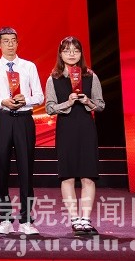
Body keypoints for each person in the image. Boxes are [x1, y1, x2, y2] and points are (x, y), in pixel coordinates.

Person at [0, 27, 44, 236]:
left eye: (13, 40)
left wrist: (26, 99)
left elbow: (40, 96)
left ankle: (26, 220)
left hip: (24, 119)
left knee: (26, 170)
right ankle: (5, 218)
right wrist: (2, 101)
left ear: (17, 43)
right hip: (2, 119)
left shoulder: (29, 66)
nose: (10, 44)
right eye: (5, 41)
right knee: (1, 170)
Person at [44, 36, 105, 236]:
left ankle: (86, 219)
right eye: (67, 50)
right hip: (66, 128)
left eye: (76, 50)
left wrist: (87, 101)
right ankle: (75, 220)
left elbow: (101, 105)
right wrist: (68, 103)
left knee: (88, 175)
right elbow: (49, 108)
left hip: (86, 128)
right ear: (60, 54)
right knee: (67, 175)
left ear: (81, 54)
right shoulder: (53, 78)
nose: (71, 54)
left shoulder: (91, 76)